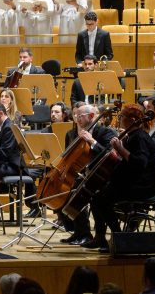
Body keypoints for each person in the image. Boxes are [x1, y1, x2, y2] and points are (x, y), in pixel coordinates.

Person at [86, 104, 155, 252]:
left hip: (141, 187)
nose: (119, 119)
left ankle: (118, 237)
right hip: (130, 183)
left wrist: (120, 149)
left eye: (121, 116)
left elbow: (139, 164)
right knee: (96, 196)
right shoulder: (132, 135)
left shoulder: (140, 137)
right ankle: (101, 237)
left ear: (131, 120)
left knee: (100, 200)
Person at [60, 103, 116, 246]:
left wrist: (91, 140)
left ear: (91, 116)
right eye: (76, 116)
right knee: (64, 190)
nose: (77, 119)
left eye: (80, 116)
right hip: (86, 174)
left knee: (79, 191)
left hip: (103, 177)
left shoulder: (105, 132)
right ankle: (79, 232)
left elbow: (108, 154)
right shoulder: (77, 133)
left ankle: (89, 234)